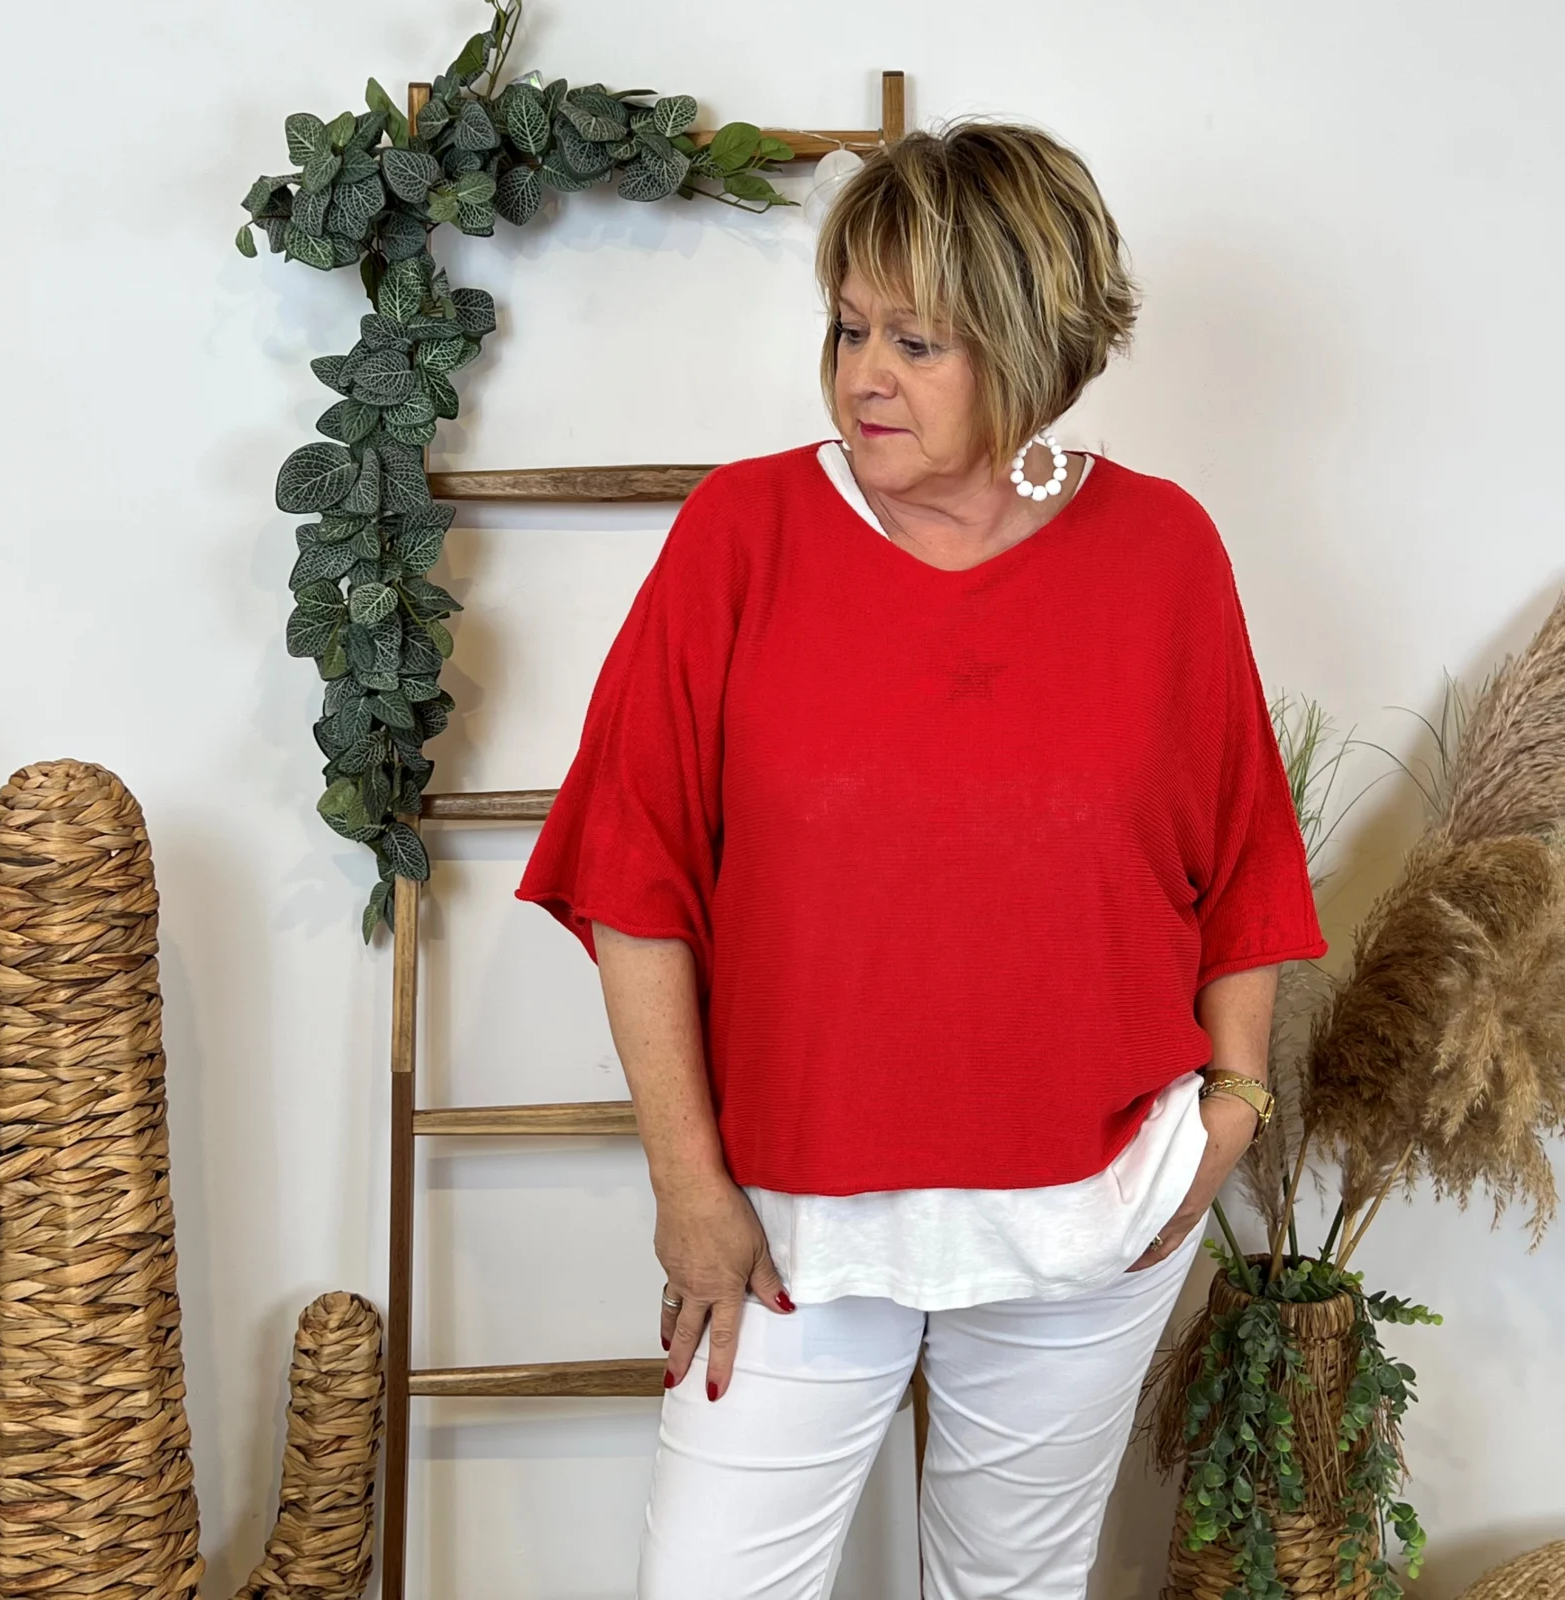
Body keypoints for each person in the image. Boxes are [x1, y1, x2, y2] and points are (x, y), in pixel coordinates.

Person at [513, 119, 1326, 1600]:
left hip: (1096, 1211)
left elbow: (1243, 857)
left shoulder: (1163, 551)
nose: (863, 375)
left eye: (916, 341)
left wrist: (1234, 1107)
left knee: (1015, 1587)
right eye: (848, 329)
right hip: (787, 1222)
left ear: (1027, 345)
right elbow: (633, 878)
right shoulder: (742, 534)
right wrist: (690, 1186)